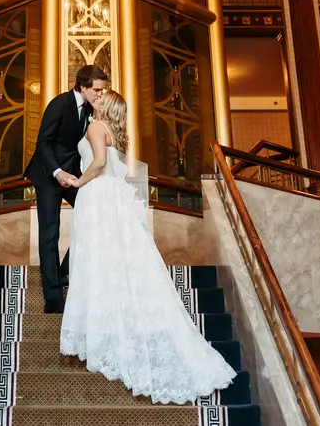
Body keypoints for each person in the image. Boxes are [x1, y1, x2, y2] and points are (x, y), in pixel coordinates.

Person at [60, 89, 237, 404]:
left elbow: (99, 163)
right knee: (112, 257)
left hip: (97, 195)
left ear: (105, 106)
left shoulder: (96, 127)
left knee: (98, 257)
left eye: (100, 97)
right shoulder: (112, 131)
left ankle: (101, 322)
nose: (96, 98)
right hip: (110, 196)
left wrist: (77, 181)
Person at [24, 64, 108, 313]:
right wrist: (57, 172)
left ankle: (63, 274)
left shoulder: (91, 109)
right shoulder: (59, 104)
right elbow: (43, 142)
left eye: (102, 90)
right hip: (48, 175)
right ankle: (52, 297)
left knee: (95, 215)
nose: (100, 94)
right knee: (50, 233)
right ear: (83, 87)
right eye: (97, 90)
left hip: (73, 176)